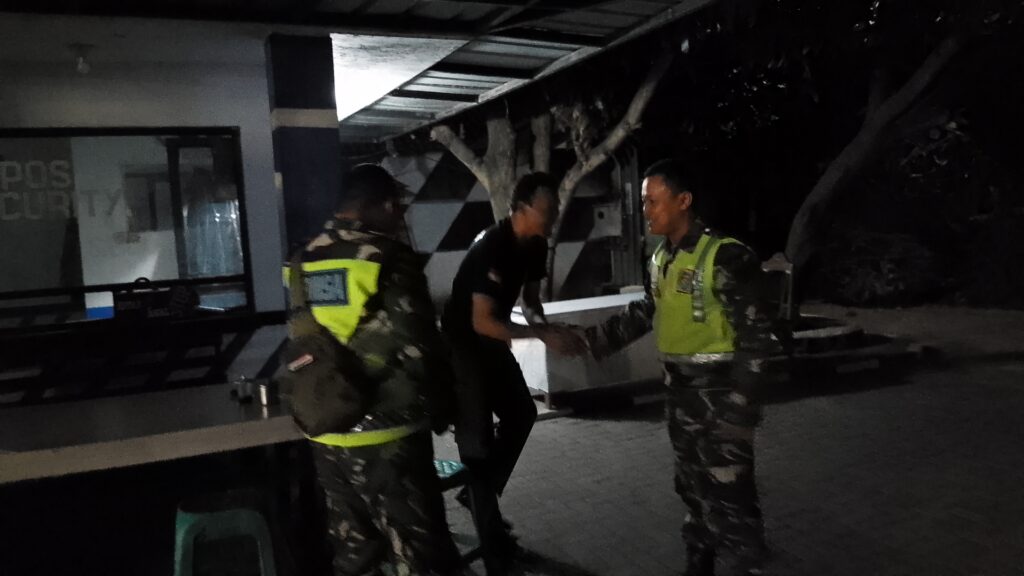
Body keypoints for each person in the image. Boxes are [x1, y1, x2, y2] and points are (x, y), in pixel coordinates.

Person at [583, 159, 778, 576]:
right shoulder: (660, 258)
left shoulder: (725, 256)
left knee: (731, 494)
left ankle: (747, 563)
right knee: (691, 487)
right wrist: (590, 341)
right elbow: (647, 309)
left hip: (721, 400)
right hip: (681, 397)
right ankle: (699, 564)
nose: (645, 211)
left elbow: (759, 339)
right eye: (643, 202)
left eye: (652, 201)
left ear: (683, 200)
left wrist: (740, 410)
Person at [285, 163, 461, 576]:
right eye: (398, 209)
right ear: (385, 205)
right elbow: (420, 349)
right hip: (389, 439)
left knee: (357, 555)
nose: (400, 219)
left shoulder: (302, 259)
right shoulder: (389, 257)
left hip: (327, 432)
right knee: (419, 557)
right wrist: (445, 406)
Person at [441, 172, 584, 576]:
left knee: (522, 413)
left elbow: (531, 301)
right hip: (462, 347)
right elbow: (482, 321)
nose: (554, 216)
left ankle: (479, 494)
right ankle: (497, 552)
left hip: (491, 343)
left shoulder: (535, 245)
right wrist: (540, 335)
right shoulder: (492, 246)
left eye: (555, 208)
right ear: (520, 209)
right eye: (547, 209)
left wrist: (546, 326)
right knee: (478, 445)